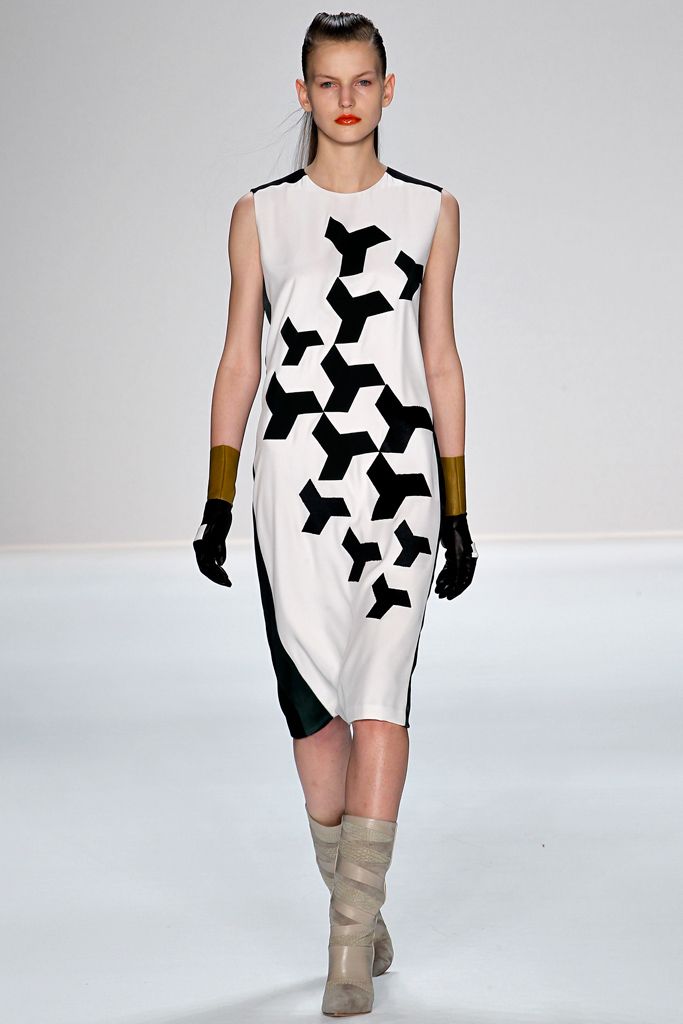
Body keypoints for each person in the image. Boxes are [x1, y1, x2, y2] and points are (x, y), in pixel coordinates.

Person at [193, 11, 478, 1017]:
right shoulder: (260, 215)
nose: (345, 100)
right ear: (303, 91)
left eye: (362, 81)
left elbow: (439, 358)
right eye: (327, 82)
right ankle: (357, 899)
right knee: (314, 721)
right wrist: (218, 494)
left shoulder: (431, 210)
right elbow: (240, 358)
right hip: (291, 492)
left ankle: (347, 939)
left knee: (381, 694)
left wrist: (457, 507)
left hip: (397, 489)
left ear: (387, 89)